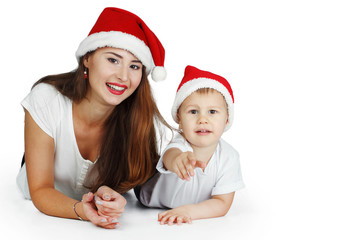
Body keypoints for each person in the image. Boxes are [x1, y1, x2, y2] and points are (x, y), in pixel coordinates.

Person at [16, 7, 169, 229]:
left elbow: (141, 185)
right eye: (113, 60)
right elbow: (40, 190)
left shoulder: (138, 119)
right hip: (39, 193)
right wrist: (83, 211)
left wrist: (109, 193)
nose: (123, 76)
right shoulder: (46, 99)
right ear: (87, 58)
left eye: (134, 66)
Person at [138, 65, 245, 225]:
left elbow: (222, 203)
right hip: (148, 192)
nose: (203, 119)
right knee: (142, 160)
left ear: (227, 120)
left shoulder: (229, 157)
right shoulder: (181, 144)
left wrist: (188, 211)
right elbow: (170, 155)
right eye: (193, 112)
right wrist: (178, 161)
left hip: (183, 205)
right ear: (179, 120)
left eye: (212, 112)